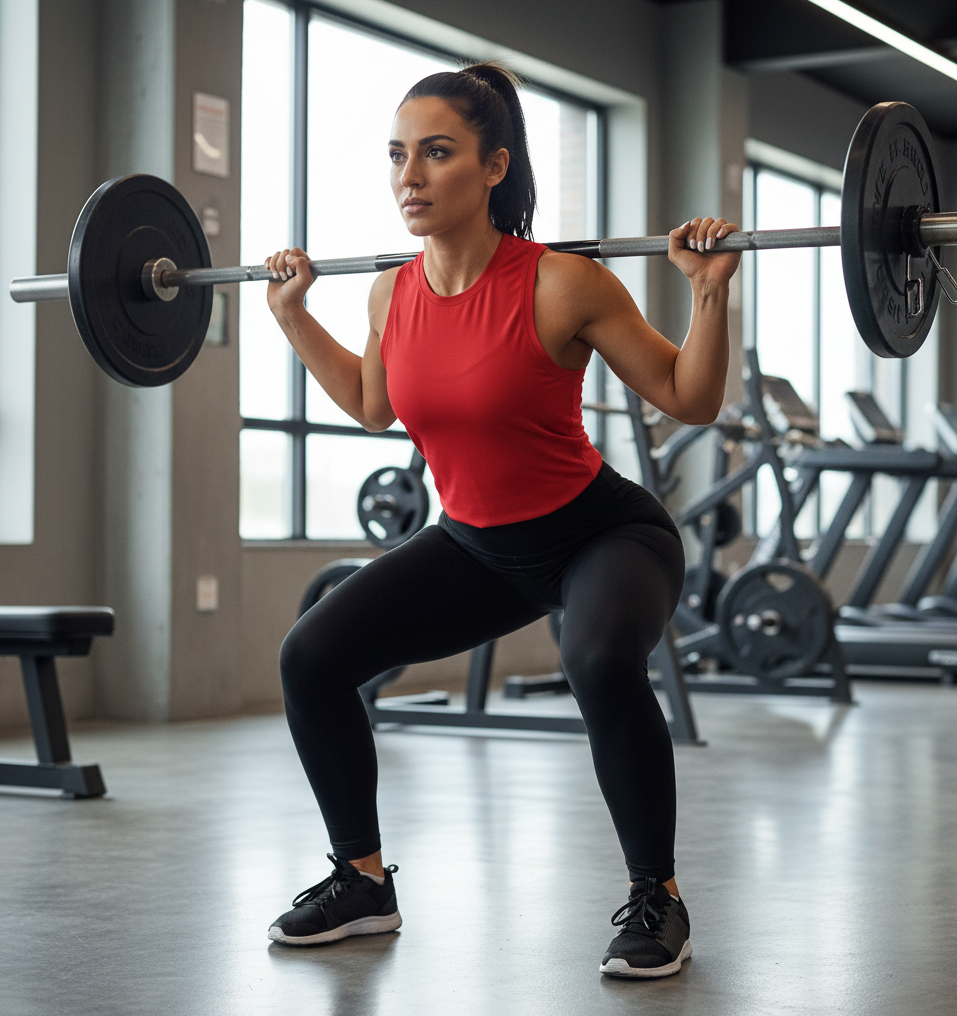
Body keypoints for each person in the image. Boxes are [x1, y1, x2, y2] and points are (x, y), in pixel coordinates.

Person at [262, 62, 739, 979]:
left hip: (603, 534)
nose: (410, 175)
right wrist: (291, 317)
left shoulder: (563, 284)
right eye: (398, 155)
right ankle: (363, 882)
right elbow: (373, 405)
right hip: (477, 544)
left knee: (598, 659)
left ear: (492, 168)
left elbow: (691, 396)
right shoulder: (389, 294)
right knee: (311, 657)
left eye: (437, 153)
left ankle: (658, 899)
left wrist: (710, 291)